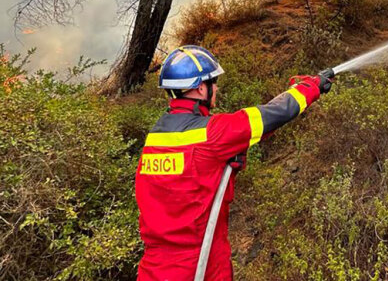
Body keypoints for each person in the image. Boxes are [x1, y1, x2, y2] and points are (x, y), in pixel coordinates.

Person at [135, 45, 333, 280]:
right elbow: (272, 115)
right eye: (212, 83)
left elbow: (181, 187)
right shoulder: (212, 134)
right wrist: (310, 87)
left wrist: (219, 169)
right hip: (200, 265)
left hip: (153, 269)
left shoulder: (154, 139)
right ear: (200, 88)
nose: (215, 88)